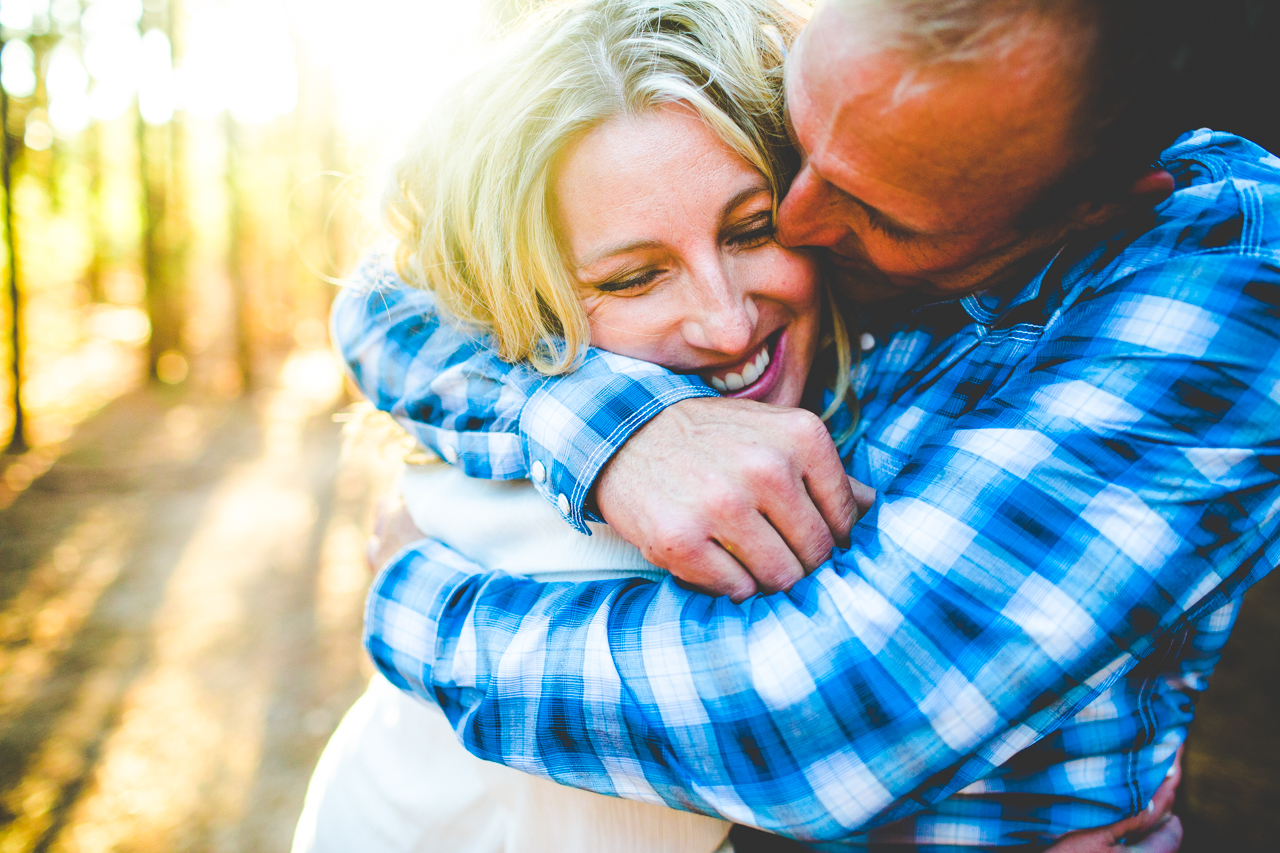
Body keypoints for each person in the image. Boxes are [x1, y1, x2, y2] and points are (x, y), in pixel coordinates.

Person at [343, 0, 1280, 847]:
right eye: (801, 147)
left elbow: (827, 716)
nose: (804, 219)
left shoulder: (1216, 280)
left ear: (1083, 209)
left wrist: (407, 596)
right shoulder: (554, 486)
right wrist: (611, 428)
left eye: (753, 226)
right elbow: (392, 296)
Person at [296, 1, 863, 850]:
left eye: (753, 228)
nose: (727, 323)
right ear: (516, 303)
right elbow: (817, 734)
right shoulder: (607, 541)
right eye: (636, 278)